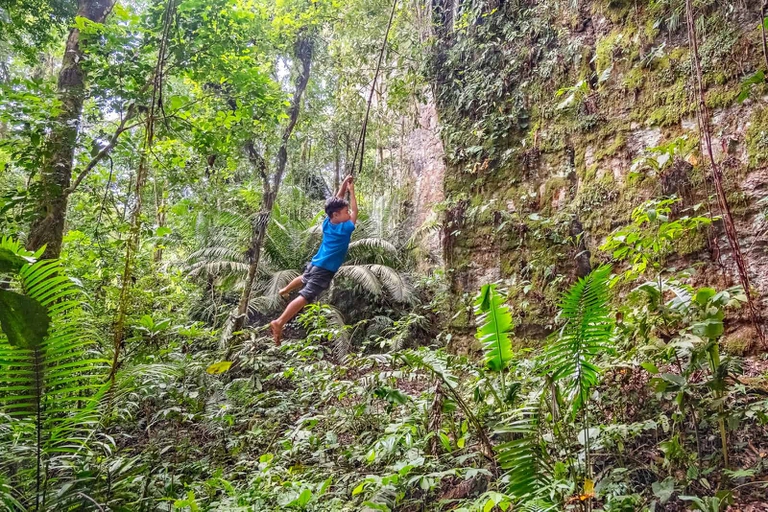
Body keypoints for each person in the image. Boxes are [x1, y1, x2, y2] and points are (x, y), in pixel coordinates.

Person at [269, 175, 358, 345]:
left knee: (304, 277)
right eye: (345, 212)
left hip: (316, 264)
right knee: (306, 295)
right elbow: (355, 212)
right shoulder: (345, 229)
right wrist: (351, 192)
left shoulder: (327, 223)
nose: (348, 214)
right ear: (336, 215)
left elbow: (337, 200)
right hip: (324, 269)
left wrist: (343, 185)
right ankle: (279, 322)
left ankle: (284, 290)